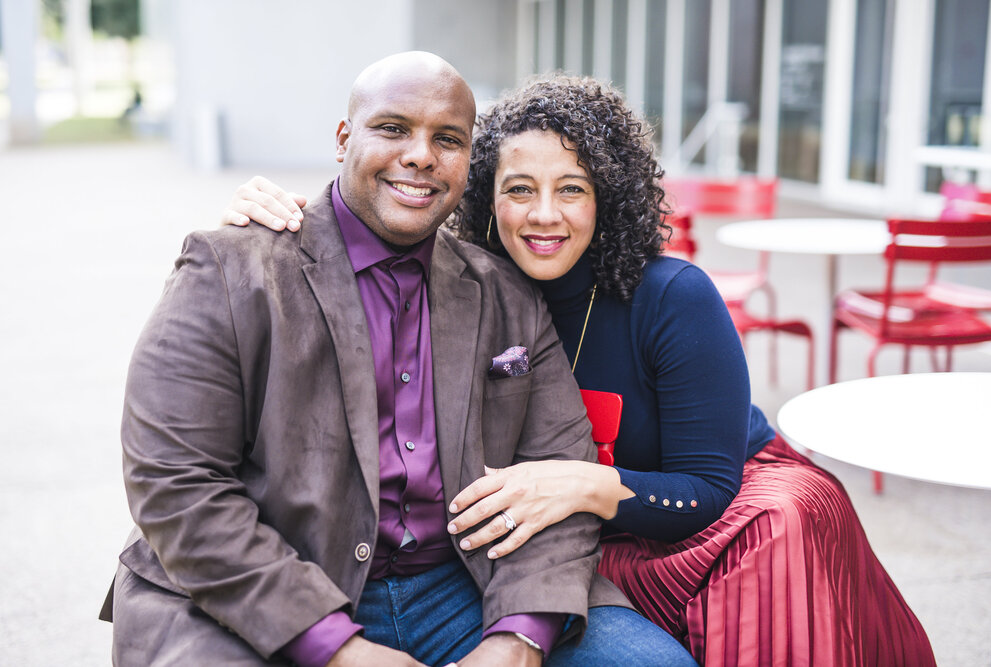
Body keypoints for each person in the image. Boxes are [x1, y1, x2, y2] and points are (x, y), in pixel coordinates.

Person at [227, 75, 937, 666]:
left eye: (572, 189)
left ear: (609, 196)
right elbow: (382, 199)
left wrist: (587, 485)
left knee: (778, 532)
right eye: (519, 189)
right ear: (482, 194)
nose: (544, 215)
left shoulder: (671, 296)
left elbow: (711, 483)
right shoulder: (467, 285)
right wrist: (290, 219)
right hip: (579, 533)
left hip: (716, 514)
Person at [101, 53, 697, 667]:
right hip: (268, 584)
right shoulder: (231, 270)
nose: (420, 155)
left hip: (464, 584)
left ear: (469, 164)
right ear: (343, 139)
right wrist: (336, 648)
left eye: (448, 139)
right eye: (392, 129)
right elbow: (175, 485)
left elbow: (556, 479)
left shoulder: (507, 292)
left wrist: (519, 637)